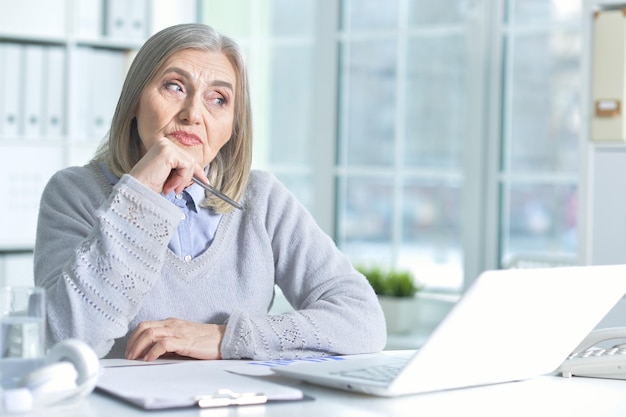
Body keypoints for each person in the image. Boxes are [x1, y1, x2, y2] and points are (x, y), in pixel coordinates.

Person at [34, 23, 386, 361]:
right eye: (174, 86)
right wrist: (139, 197)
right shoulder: (74, 193)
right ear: (133, 103)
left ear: (233, 126)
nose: (193, 114)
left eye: (218, 99)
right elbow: (61, 343)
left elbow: (362, 321)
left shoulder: (262, 199)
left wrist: (225, 337)